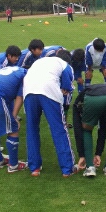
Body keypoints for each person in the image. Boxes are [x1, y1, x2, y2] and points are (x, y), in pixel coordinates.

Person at [22, 50, 76, 178]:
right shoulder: (65, 65)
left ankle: (34, 168)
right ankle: (67, 168)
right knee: (59, 129)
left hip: (29, 92)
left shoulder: (40, 61)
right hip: (49, 92)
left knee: (32, 129)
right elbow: (67, 88)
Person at [80, 83, 106, 177]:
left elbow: (77, 125)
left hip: (93, 99)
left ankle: (90, 167)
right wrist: (98, 153)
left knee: (86, 130)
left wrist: (81, 155)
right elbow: (102, 126)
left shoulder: (82, 97)